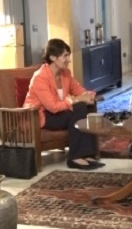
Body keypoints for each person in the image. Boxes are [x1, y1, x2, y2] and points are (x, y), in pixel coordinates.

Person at [23, 39, 104, 170]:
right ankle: (75, 157)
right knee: (79, 108)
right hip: (41, 116)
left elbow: (78, 90)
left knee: (85, 107)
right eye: (65, 56)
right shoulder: (40, 77)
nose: (69, 60)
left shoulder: (65, 73)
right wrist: (77, 99)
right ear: (53, 57)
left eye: (68, 56)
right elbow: (53, 107)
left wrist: (89, 96)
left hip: (59, 112)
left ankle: (87, 154)